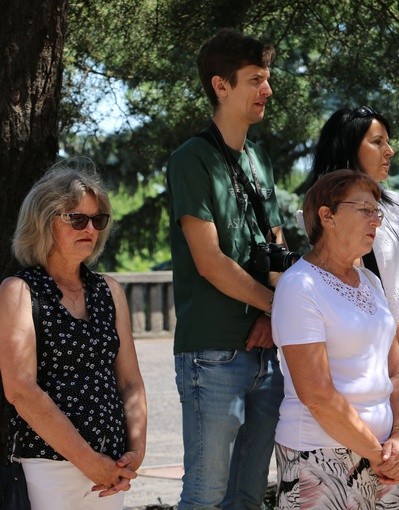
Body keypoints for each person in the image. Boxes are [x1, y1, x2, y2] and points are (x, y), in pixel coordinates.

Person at [166, 29, 285, 508]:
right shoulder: (191, 158)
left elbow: (276, 244)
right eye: (255, 79)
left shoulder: (258, 158)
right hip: (212, 353)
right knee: (206, 494)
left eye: (268, 78)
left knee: (250, 496)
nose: (267, 90)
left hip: (265, 348)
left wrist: (274, 315)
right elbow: (211, 262)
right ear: (220, 85)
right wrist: (277, 307)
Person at [0, 163, 147, 509]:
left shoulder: (109, 291)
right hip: (48, 467)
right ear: (44, 221)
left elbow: (130, 382)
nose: (90, 229)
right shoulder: (19, 291)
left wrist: (134, 454)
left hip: (111, 470)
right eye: (77, 219)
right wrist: (88, 461)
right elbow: (21, 390)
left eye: (98, 220)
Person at [271, 170, 399, 507]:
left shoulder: (370, 282)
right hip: (319, 458)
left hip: (383, 457)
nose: (375, 221)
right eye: (364, 209)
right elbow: (317, 395)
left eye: (377, 211)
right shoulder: (299, 286)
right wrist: (379, 453)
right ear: (327, 215)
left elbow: (398, 373)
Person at [304, 106, 399, 365]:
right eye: (377, 142)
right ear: (347, 147)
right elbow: (353, 290)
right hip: (371, 358)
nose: (390, 151)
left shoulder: (394, 208)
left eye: (388, 142)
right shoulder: (333, 211)